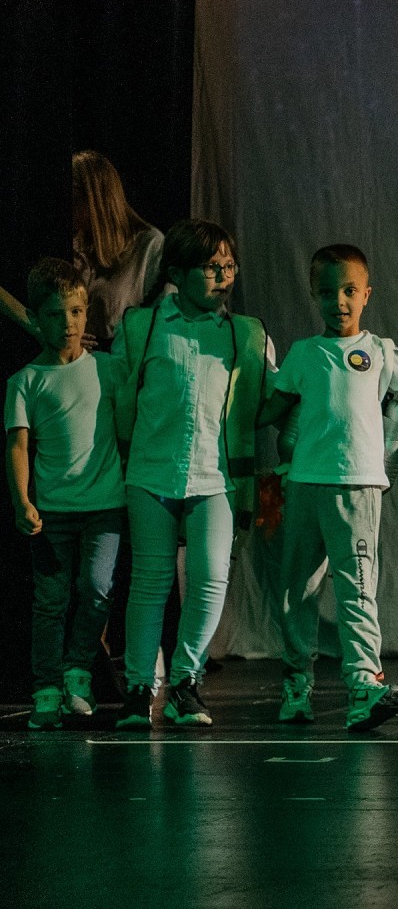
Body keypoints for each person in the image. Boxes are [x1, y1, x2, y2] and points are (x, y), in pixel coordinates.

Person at [258, 245, 398, 732]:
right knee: (296, 589)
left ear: (367, 294)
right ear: (314, 295)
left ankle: (363, 684)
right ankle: (296, 685)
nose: (338, 301)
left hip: (358, 488)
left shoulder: (380, 351)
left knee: (358, 588)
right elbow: (271, 411)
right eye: (327, 292)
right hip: (304, 487)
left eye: (348, 291)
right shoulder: (304, 354)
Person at [112, 220, 274, 729]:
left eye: (229, 266)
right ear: (177, 273)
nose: (224, 276)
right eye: (211, 267)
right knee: (150, 581)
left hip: (216, 475)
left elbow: (268, 400)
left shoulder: (245, 334)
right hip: (151, 471)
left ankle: (185, 681)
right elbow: (120, 397)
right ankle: (139, 687)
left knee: (210, 578)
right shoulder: (142, 326)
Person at [5, 259, 126, 728]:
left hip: (105, 507)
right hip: (53, 512)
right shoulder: (25, 381)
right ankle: (46, 689)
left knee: (96, 589)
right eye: (56, 315)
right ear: (36, 319)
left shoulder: (108, 370)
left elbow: (128, 429)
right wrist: (22, 501)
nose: (69, 324)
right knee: (50, 601)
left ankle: (78, 672)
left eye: (76, 312)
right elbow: (18, 446)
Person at [1, 150, 165, 346]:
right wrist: (42, 331)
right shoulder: (65, 240)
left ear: (95, 199)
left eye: (73, 198)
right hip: (68, 358)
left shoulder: (149, 245)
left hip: (121, 359)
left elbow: (164, 320)